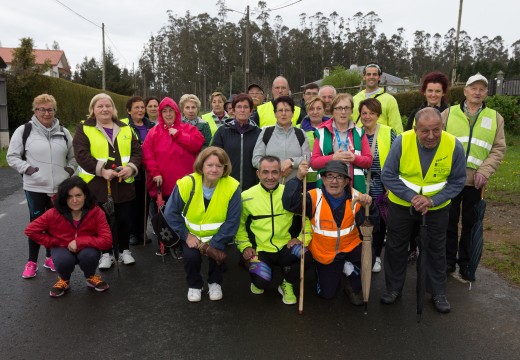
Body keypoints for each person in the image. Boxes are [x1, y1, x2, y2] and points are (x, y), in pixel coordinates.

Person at [380, 108, 466, 313]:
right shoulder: (402, 141)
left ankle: (437, 291)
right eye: (425, 131)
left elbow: (458, 181)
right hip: (401, 205)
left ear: (442, 127)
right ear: (415, 128)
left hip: (437, 208)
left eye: (436, 130)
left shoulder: (454, 145)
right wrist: (412, 197)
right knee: (396, 247)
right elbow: (388, 175)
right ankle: (393, 288)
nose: (431, 136)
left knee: (436, 249)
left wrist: (433, 200)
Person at [442, 73, 506, 280]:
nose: (477, 92)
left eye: (482, 89)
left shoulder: (495, 118)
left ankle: (466, 264)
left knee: (471, 223)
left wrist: (485, 171)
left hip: (476, 180)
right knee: (448, 222)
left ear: (486, 92)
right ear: (465, 90)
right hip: (450, 179)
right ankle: (448, 261)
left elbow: (498, 149)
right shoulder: (448, 114)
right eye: (473, 88)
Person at [283, 160, 372, 305]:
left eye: (339, 177)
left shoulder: (357, 197)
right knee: (328, 294)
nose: (334, 181)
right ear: (323, 179)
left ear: (346, 181)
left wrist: (369, 207)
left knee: (369, 253)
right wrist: (298, 177)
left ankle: (352, 284)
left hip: (350, 247)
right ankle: (333, 269)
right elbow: (289, 203)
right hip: (325, 254)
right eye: (330, 176)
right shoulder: (313, 197)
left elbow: (371, 226)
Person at [7, 93, 76, 279]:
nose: (46, 113)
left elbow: (73, 157)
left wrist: (68, 170)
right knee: (37, 225)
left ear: (54, 110)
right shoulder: (24, 130)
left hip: (59, 189)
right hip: (35, 187)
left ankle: (50, 257)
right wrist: (28, 169)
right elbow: (12, 156)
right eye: (42, 109)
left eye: (50, 109)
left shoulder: (63, 131)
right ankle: (31, 262)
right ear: (35, 110)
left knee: (55, 225)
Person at [164, 147, 241, 302]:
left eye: (219, 166)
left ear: (225, 168)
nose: (214, 169)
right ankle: (194, 285)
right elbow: (170, 213)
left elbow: (233, 219)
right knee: (191, 258)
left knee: (217, 256)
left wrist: (215, 242)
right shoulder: (186, 183)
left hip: (218, 235)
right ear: (201, 165)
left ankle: (215, 283)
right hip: (191, 234)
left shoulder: (232, 186)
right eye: (210, 165)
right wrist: (186, 235)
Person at [73, 93, 142, 269]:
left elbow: (136, 152)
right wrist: (101, 171)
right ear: (93, 110)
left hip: (123, 182)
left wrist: (131, 168)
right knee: (101, 221)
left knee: (124, 219)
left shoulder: (126, 127)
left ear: (113, 109)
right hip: (97, 185)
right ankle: (106, 254)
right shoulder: (84, 128)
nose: (104, 109)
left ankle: (125, 250)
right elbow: (81, 155)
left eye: (108, 106)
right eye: (100, 106)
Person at [236, 156, 312, 304]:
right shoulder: (246, 196)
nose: (270, 177)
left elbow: (306, 220)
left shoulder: (289, 194)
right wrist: (245, 246)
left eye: (274, 172)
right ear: (258, 173)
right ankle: (261, 273)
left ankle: (286, 282)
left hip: (285, 247)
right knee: (261, 284)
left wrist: (301, 239)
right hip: (261, 249)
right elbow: (239, 226)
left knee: (307, 256)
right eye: (265, 172)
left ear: (281, 173)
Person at [24, 177, 112, 297]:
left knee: (89, 255)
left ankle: (91, 276)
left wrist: (80, 241)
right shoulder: (53, 213)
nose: (74, 200)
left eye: (78, 195)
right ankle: (64, 280)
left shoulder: (96, 212)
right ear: (63, 198)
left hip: (86, 247)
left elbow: (107, 241)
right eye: (69, 196)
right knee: (63, 260)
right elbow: (30, 230)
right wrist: (55, 242)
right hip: (62, 247)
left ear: (85, 195)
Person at [142, 97, 204, 254]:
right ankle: (168, 243)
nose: (168, 114)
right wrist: (155, 173)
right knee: (166, 216)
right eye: (165, 111)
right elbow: (147, 155)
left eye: (171, 111)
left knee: (185, 215)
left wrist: (178, 135)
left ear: (177, 112)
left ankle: (184, 242)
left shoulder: (188, 129)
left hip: (186, 185)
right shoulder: (153, 133)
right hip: (163, 184)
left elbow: (197, 144)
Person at [405, 71, 450, 261]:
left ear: (443, 93)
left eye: (437, 91)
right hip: (417, 175)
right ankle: (414, 248)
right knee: (413, 219)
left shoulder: (450, 113)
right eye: (430, 90)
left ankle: (439, 255)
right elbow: (406, 140)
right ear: (424, 92)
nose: (433, 95)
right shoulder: (416, 114)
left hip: (440, 174)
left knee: (441, 222)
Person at [358, 98, 396, 273]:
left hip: (382, 186)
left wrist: (391, 186)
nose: (367, 116)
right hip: (361, 184)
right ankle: (362, 254)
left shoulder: (389, 132)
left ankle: (377, 256)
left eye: (371, 113)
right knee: (361, 219)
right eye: (364, 113)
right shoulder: (355, 133)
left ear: (378, 115)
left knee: (380, 222)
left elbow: (397, 159)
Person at [310, 93, 372, 193]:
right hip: (327, 188)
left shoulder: (360, 133)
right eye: (339, 108)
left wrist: (354, 158)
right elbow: (313, 163)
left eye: (346, 108)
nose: (343, 112)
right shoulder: (321, 133)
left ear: (351, 111)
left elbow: (368, 161)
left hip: (354, 187)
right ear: (332, 111)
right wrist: (333, 158)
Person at [252, 96, 311, 182]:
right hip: (269, 186)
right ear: (275, 113)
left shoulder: (300, 134)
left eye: (287, 110)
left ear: (292, 113)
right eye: (280, 110)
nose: (283, 113)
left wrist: (291, 162)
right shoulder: (266, 133)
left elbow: (307, 160)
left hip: (294, 187)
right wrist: (278, 169)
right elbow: (256, 160)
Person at [122, 96, 155, 246]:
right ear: (129, 110)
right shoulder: (122, 126)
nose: (140, 110)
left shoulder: (151, 126)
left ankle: (142, 231)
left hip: (147, 170)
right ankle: (131, 233)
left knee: (144, 201)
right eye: (137, 107)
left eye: (142, 107)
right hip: (130, 169)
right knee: (131, 203)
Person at [212, 93, 261, 191]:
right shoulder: (222, 132)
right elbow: (214, 157)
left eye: (246, 107)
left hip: (252, 187)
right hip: (227, 185)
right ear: (233, 110)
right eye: (239, 107)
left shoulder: (259, 133)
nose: (242, 110)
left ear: (251, 111)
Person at [352, 63, 403, 134]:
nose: (371, 77)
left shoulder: (390, 99)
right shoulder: (355, 99)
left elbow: (396, 126)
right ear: (364, 77)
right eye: (368, 74)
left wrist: (398, 143)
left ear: (379, 77)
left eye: (374, 74)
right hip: (359, 142)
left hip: (382, 142)